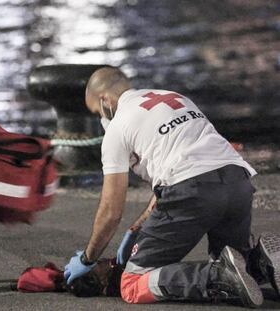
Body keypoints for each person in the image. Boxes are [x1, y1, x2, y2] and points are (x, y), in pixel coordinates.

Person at [64, 66, 280, 308]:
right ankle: (260, 262)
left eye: (97, 112)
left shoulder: (118, 126)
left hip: (193, 191)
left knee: (133, 284)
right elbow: (183, 160)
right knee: (237, 261)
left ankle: (217, 276)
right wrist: (139, 226)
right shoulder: (175, 98)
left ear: (104, 100)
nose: (101, 118)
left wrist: (87, 258)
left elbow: (111, 211)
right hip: (237, 182)